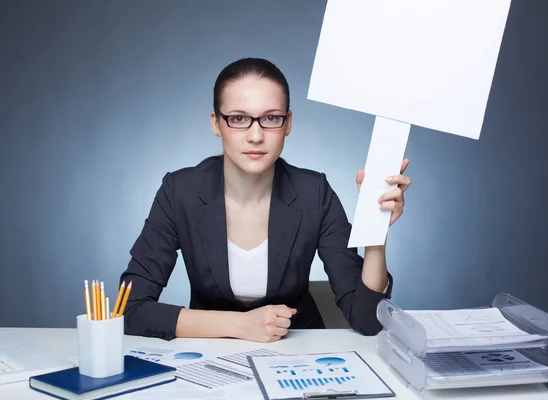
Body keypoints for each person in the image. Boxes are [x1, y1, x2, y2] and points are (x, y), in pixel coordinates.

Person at [119, 57, 411, 343]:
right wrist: (240, 325)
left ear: (288, 123)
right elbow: (130, 310)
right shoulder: (179, 191)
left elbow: (368, 321)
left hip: (298, 354)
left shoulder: (314, 192)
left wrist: (376, 228)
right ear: (216, 124)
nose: (256, 135)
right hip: (208, 352)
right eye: (238, 119)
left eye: (271, 118)